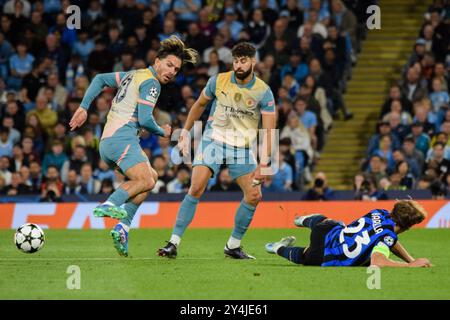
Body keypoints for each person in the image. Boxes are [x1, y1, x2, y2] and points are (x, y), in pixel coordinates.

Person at [69, 36, 198, 257]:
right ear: (157, 61)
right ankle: (110, 203)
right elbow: (146, 120)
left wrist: (84, 107)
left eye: (176, 69)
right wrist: (164, 132)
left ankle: (123, 227)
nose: (171, 71)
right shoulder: (152, 83)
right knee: (146, 180)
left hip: (108, 143)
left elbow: (100, 79)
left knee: (152, 176)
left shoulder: (133, 74)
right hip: (122, 139)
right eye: (169, 65)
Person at [158, 42, 276, 259]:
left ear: (253, 62)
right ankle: (173, 243)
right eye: (236, 61)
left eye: (244, 61)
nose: (239, 65)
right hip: (213, 140)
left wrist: (264, 163)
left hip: (241, 148)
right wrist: (184, 133)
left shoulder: (264, 92)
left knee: (254, 195)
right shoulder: (218, 80)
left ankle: (233, 246)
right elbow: (199, 105)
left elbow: (269, 130)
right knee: (196, 187)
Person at [265, 200, 433, 267]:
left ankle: (302, 220)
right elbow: (377, 260)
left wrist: (411, 259)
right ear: (408, 226)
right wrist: (409, 265)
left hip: (328, 229)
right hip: (326, 254)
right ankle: (277, 247)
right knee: (305, 257)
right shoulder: (387, 236)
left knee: (334, 223)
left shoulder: (380, 212)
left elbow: (389, 241)